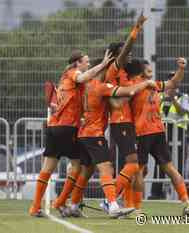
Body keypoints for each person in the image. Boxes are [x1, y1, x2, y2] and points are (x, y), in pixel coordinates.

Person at [67, 58, 157, 218]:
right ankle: (112, 203)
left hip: (85, 132)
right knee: (108, 168)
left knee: (86, 171)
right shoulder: (102, 86)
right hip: (96, 133)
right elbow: (122, 97)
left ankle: (72, 204)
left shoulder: (87, 86)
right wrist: (143, 85)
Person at [29, 49, 113, 217]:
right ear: (77, 63)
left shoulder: (65, 78)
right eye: (86, 61)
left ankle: (35, 207)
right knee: (77, 167)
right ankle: (60, 202)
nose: (88, 64)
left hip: (54, 127)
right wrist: (103, 65)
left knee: (48, 168)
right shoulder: (73, 73)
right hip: (66, 128)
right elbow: (82, 77)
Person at [127, 58, 189, 215]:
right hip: (150, 132)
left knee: (144, 171)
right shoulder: (140, 85)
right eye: (148, 70)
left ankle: (137, 209)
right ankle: (186, 202)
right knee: (148, 171)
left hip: (148, 132)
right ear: (140, 72)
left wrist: (181, 69)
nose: (151, 73)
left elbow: (172, 84)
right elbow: (171, 84)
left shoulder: (147, 85)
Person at [102, 11, 147, 211]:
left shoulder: (125, 72)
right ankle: (110, 200)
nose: (129, 55)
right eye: (125, 53)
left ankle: (128, 204)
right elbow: (119, 100)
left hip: (125, 122)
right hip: (120, 122)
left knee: (132, 165)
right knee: (132, 163)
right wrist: (137, 28)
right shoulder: (115, 67)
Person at [149, 74, 189, 199]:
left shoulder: (183, 96)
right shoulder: (159, 95)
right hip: (162, 132)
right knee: (160, 161)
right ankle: (156, 192)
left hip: (178, 132)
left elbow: (184, 111)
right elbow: (152, 109)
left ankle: (181, 194)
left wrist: (173, 99)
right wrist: (163, 98)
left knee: (178, 162)